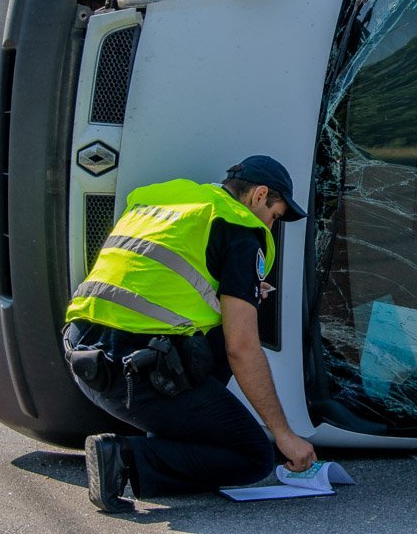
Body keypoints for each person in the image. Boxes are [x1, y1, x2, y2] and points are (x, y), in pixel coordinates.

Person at [62, 155, 316, 512]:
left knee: (214, 332)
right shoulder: (241, 228)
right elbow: (241, 349)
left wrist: (235, 292)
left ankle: (168, 437)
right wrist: (285, 435)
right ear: (259, 195)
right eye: (275, 215)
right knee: (252, 455)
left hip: (83, 354)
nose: (272, 226)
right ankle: (123, 456)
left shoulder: (166, 197)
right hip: (131, 375)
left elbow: (155, 281)